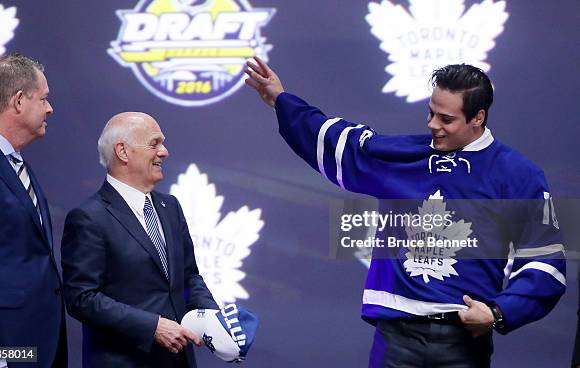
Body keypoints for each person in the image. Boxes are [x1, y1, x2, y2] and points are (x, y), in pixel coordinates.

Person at [244, 57, 566, 367]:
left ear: (478, 118)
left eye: (446, 119)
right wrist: (281, 101)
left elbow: (545, 259)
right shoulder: (406, 156)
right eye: (431, 114)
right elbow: (339, 141)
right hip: (396, 335)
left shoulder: (518, 175)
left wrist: (498, 312)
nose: (433, 125)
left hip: (465, 341)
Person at [61, 112, 218, 367]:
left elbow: (189, 277)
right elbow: (82, 298)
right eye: (154, 143)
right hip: (125, 361)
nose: (164, 152)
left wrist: (213, 317)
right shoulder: (89, 218)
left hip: (179, 362)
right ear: (123, 151)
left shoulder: (171, 206)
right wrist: (152, 327)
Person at [0, 54, 67, 367]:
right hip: (3, 350)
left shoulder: (16, 164)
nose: (50, 108)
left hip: (39, 345)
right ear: (20, 101)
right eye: (45, 98)